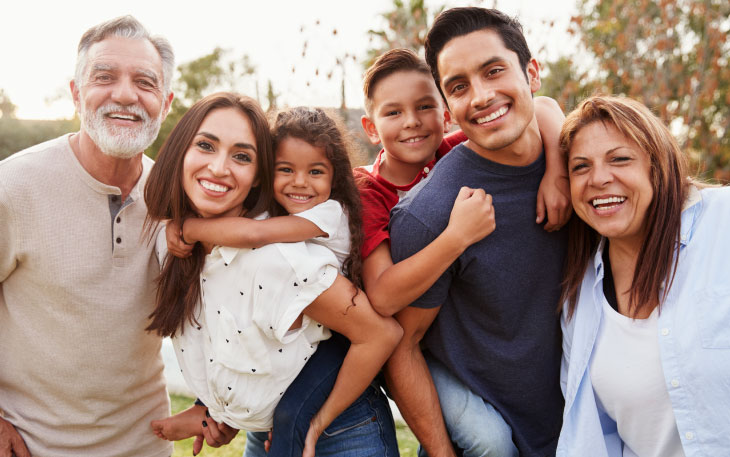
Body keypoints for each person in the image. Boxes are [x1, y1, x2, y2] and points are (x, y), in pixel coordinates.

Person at [143, 94, 402, 456]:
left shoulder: (284, 255)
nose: (219, 168)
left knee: (296, 415)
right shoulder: (171, 242)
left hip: (342, 429)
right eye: (205, 145)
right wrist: (219, 411)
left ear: (256, 176)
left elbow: (380, 334)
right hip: (264, 422)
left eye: (242, 156)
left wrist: (190, 227)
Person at [387, 7, 570, 457]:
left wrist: (561, 171)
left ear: (532, 72)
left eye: (494, 71)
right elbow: (402, 347)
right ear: (448, 107)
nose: (482, 96)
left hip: (585, 430)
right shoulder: (431, 217)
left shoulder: (582, 168)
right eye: (459, 87)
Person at [0, 16, 177, 457]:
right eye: (104, 77)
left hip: (146, 445)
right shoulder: (13, 188)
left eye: (144, 82)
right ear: (76, 93)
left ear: (166, 102)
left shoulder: (175, 201)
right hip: (31, 445)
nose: (124, 94)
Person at [557, 95, 730, 457]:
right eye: (580, 167)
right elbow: (597, 438)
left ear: (657, 166)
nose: (599, 179)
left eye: (620, 159)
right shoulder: (578, 303)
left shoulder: (723, 222)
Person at [356, 47, 568, 317]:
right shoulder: (367, 189)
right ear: (372, 129)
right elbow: (382, 298)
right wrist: (458, 237)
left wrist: (557, 173)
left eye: (424, 106)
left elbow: (542, 105)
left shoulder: (452, 152)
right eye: (393, 113)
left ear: (446, 117)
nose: (412, 122)